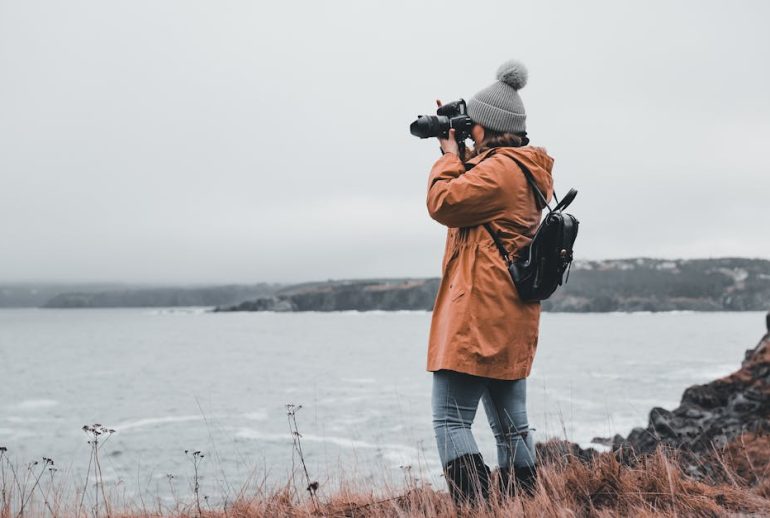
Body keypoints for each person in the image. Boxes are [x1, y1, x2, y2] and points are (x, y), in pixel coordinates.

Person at [425, 59, 555, 506]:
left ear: (487, 128)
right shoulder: (523, 170)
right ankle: (523, 507)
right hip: (512, 314)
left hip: (478, 316)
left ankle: (475, 508)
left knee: (450, 420)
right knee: (511, 424)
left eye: (473, 125)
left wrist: (447, 157)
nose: (470, 131)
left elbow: (444, 202)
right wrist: (462, 149)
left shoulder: (499, 173)